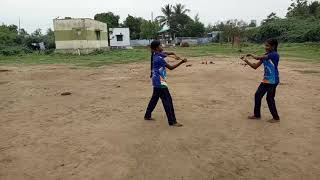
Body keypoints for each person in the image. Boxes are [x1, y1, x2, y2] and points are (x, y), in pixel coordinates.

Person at [144, 40, 187, 127]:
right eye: (160, 45)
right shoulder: (158, 58)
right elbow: (170, 67)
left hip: (156, 81)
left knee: (154, 99)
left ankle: (147, 115)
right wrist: (181, 62)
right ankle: (172, 121)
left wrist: (174, 54)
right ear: (156, 48)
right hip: (160, 82)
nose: (162, 46)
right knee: (168, 101)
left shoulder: (157, 54)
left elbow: (167, 53)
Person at [242, 38, 281, 123]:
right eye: (265, 45)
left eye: (267, 45)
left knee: (269, 98)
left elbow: (257, 58)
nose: (265, 47)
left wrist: (251, 54)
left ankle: (276, 118)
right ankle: (257, 115)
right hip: (266, 80)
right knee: (257, 95)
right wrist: (246, 61)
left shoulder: (274, 55)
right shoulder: (266, 55)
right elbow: (255, 66)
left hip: (273, 80)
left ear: (273, 46)